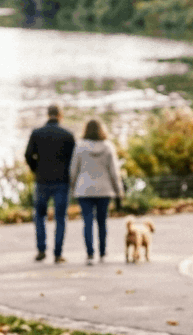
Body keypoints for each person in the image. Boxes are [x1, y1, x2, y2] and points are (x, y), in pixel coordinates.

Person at [24, 104, 76, 263]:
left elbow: (28, 155)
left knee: (40, 216)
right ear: (60, 115)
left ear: (48, 115)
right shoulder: (67, 135)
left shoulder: (37, 133)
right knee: (60, 217)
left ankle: (41, 249)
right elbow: (74, 160)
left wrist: (36, 169)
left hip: (42, 180)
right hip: (62, 181)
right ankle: (58, 253)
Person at [69, 119, 124, 265]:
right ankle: (103, 252)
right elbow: (114, 172)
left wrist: (72, 187)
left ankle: (90, 254)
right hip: (104, 190)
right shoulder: (108, 147)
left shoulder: (80, 146)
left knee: (87, 222)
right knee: (102, 222)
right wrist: (119, 191)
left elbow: (73, 170)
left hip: (84, 190)